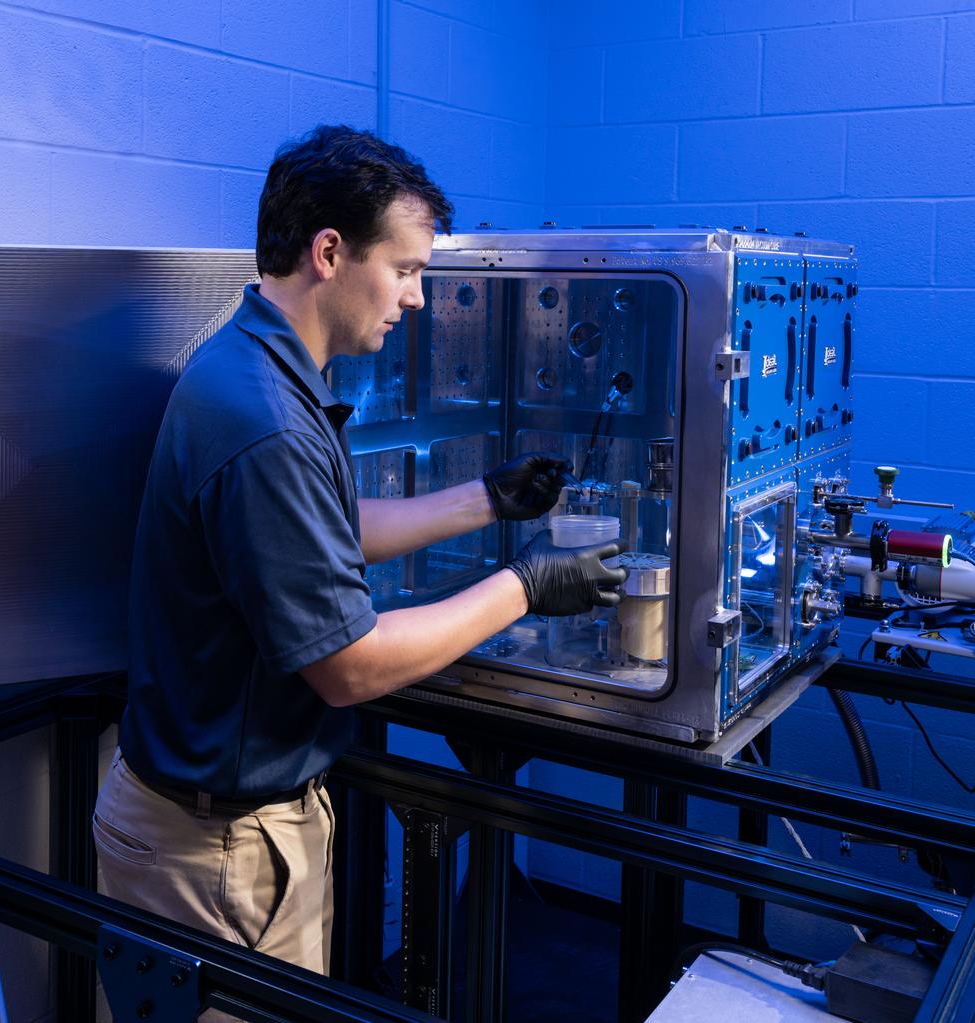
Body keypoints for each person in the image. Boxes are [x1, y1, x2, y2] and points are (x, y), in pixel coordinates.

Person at [93, 125, 625, 993]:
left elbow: (322, 531)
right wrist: (526, 585)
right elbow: (348, 665)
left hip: (228, 829)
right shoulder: (261, 416)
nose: (416, 297)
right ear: (330, 252)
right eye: (406, 269)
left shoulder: (258, 367)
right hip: (213, 850)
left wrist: (486, 498)